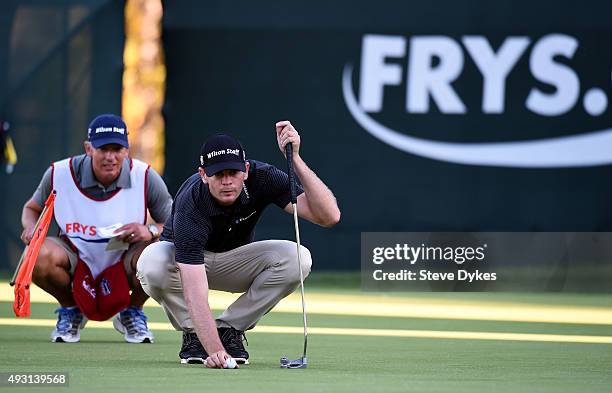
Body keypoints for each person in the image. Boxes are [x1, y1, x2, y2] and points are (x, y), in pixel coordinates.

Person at [137, 120, 340, 368]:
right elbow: (195, 291)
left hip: (233, 261)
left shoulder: (263, 177)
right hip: (183, 267)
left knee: (298, 257)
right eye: (218, 174)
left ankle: (230, 328)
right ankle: (194, 335)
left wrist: (295, 160)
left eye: (233, 173)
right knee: (152, 261)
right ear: (203, 175)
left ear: (244, 170)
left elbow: (329, 216)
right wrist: (215, 352)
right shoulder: (191, 203)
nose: (227, 181)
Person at [20, 114, 173, 344]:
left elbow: (175, 223)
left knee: (161, 254)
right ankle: (71, 309)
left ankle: (132, 311)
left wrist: (149, 230)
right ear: (89, 148)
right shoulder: (60, 173)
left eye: (117, 149)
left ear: (126, 150)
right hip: (74, 255)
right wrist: (32, 229)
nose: (110, 157)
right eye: (103, 149)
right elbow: (31, 209)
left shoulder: (145, 175)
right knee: (36, 255)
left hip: (125, 256)